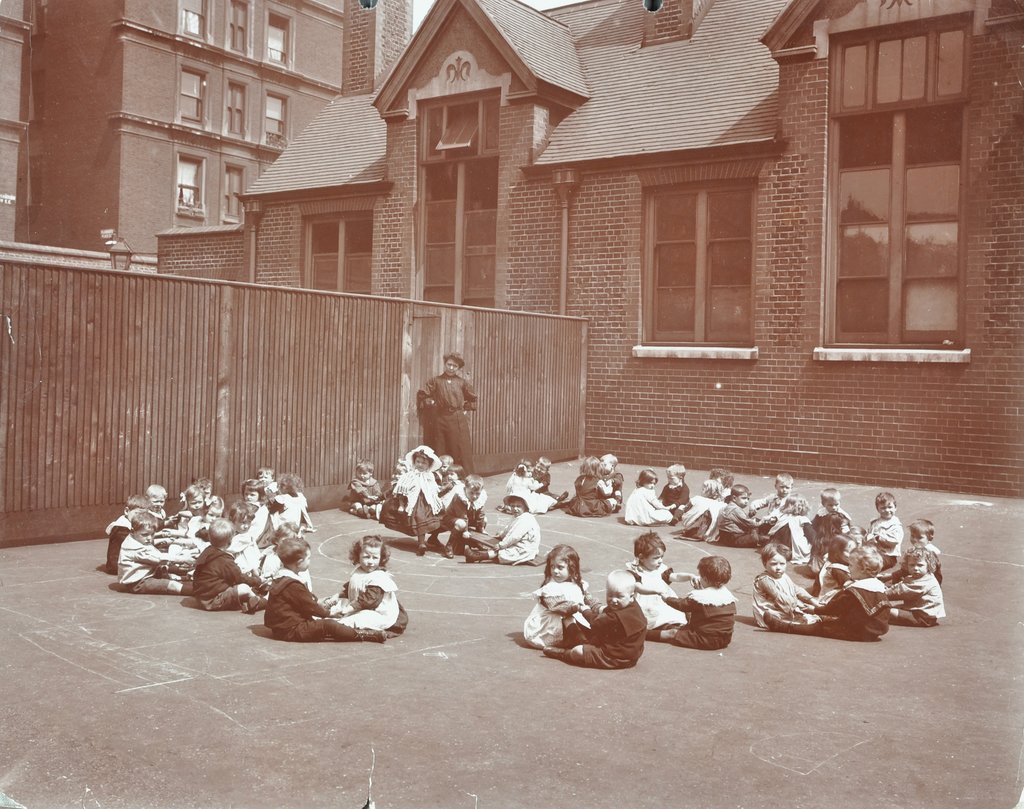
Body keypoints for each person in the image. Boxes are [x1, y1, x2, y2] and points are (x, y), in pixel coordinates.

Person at [263, 536, 388, 643]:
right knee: (328, 625)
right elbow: (309, 606)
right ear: (299, 562)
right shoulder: (292, 584)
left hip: (283, 627)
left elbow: (302, 601)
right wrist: (329, 613)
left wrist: (321, 603)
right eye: (309, 558)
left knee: (323, 620)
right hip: (291, 629)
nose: (310, 561)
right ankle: (362, 634)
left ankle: (342, 629)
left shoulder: (283, 576)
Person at [761, 546, 891, 642]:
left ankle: (784, 627)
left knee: (820, 627)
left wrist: (815, 610)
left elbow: (834, 608)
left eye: (851, 565)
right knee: (833, 619)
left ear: (862, 569)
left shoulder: (855, 590)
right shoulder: (878, 586)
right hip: (876, 630)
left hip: (859, 631)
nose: (848, 568)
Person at [541, 570, 647, 670]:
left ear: (632, 596)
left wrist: (584, 610)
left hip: (614, 658)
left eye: (619, 596)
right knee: (587, 633)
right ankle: (576, 635)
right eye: (610, 595)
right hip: (624, 652)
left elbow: (595, 621)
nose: (614, 600)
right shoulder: (631, 606)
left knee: (578, 651)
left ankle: (564, 654)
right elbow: (604, 613)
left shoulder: (616, 617)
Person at [323, 535, 409, 636]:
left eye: (375, 558)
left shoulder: (379, 578)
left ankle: (338, 628)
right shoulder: (360, 571)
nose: (370, 562)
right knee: (338, 606)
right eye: (366, 557)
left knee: (359, 618)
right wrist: (337, 596)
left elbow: (369, 600)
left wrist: (348, 609)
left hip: (378, 613)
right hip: (360, 606)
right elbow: (351, 588)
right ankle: (326, 618)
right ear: (357, 556)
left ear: (381, 558)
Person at [648, 555, 736, 650]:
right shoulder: (727, 595)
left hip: (706, 640)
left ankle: (644, 634)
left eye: (701, 576)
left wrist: (667, 599)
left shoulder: (700, 598)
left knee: (672, 633)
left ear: (705, 579)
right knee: (695, 616)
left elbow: (682, 605)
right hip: (724, 639)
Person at [523, 545, 598, 650]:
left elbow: (588, 598)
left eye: (560, 567)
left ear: (572, 568)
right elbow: (557, 606)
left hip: (573, 616)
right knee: (568, 619)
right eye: (552, 566)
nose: (555, 571)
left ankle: (585, 637)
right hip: (550, 626)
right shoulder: (550, 588)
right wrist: (576, 607)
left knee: (591, 622)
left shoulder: (577, 584)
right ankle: (578, 640)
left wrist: (598, 607)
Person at [192, 518, 267, 613]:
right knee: (244, 588)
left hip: (201, 597)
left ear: (210, 538)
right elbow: (239, 578)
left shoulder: (208, 552)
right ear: (230, 542)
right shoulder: (224, 560)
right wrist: (258, 581)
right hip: (213, 601)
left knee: (237, 585)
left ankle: (249, 599)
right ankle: (259, 602)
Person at [420, 352, 477, 473]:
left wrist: (465, 409)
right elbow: (423, 395)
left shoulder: (462, 382)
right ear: (445, 364)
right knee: (440, 446)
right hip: (440, 418)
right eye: (449, 364)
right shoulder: (436, 381)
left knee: (459, 448)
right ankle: (440, 477)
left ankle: (462, 477)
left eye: (454, 366)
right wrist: (432, 404)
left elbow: (472, 398)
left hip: (457, 419)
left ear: (458, 368)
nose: (451, 368)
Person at [625, 531, 692, 633]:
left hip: (663, 600)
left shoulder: (660, 569)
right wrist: (655, 591)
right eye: (656, 558)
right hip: (648, 604)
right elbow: (638, 587)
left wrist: (689, 576)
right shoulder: (636, 572)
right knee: (659, 617)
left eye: (661, 557)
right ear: (641, 558)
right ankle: (670, 627)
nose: (660, 560)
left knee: (676, 609)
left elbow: (675, 576)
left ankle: (684, 619)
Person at [118, 509, 194, 595]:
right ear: (132, 531)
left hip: (146, 573)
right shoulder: (134, 547)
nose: (149, 538)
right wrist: (183, 559)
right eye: (145, 535)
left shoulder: (137, 539)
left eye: (152, 534)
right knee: (172, 585)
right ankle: (199, 592)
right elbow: (159, 558)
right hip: (138, 582)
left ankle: (185, 573)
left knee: (166, 569)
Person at [391, 446, 444, 557]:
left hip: (428, 501)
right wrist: (401, 505)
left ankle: (433, 537)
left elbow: (434, 490)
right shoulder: (410, 475)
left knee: (443, 516)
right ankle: (421, 544)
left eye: (423, 463)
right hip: (415, 501)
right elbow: (402, 488)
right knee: (420, 517)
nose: (420, 465)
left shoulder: (430, 476)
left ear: (429, 465)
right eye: (418, 461)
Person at [752, 542, 818, 629]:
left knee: (815, 612)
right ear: (765, 564)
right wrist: (801, 606)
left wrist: (811, 600)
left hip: (786, 607)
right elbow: (780, 598)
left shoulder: (783, 576)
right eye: (773, 564)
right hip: (772, 611)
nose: (778, 567)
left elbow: (796, 589)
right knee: (811, 619)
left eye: (782, 564)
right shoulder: (765, 580)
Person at [463, 495, 540, 565]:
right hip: (519, 543)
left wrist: (501, 545)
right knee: (501, 547)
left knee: (502, 552)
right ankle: (476, 555)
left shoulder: (526, 519)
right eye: (513, 506)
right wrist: (501, 535)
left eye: (518, 506)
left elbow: (515, 536)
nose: (515, 509)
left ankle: (475, 556)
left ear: (525, 508)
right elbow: (509, 529)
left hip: (525, 547)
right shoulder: (517, 517)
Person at [885, 546, 945, 627]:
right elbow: (902, 585)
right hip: (919, 610)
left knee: (885, 611)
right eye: (912, 565)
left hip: (922, 617)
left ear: (928, 565)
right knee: (892, 607)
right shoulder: (921, 577)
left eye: (920, 565)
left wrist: (882, 593)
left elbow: (900, 591)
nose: (916, 568)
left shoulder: (924, 582)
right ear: (907, 565)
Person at [436, 474, 488, 557]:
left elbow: (481, 514)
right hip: (451, 518)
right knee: (461, 524)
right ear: (465, 489)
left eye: (477, 493)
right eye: (471, 493)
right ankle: (449, 546)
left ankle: (477, 541)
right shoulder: (459, 497)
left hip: (469, 518)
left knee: (484, 519)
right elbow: (462, 515)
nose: (474, 496)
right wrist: (465, 531)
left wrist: (481, 529)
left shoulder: (481, 498)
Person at [103, 494, 151, 574]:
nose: (140, 518)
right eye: (137, 514)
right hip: (117, 565)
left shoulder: (132, 523)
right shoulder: (121, 527)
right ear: (126, 511)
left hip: (126, 562)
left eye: (143, 515)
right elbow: (135, 542)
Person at [764, 494, 816, 565]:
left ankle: (776, 551)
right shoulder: (803, 520)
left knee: (775, 548)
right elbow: (811, 536)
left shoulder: (783, 518)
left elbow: (774, 533)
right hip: (794, 550)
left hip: (781, 547)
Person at [865, 492, 904, 572]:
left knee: (869, 565)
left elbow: (895, 541)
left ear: (895, 507)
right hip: (874, 551)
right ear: (878, 509)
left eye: (890, 507)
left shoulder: (895, 525)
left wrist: (879, 538)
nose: (887, 510)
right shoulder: (875, 522)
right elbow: (869, 533)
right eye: (883, 508)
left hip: (888, 556)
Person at [715, 483, 762, 548]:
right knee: (756, 536)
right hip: (733, 538)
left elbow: (741, 519)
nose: (746, 501)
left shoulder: (730, 506)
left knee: (755, 526)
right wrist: (763, 521)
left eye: (748, 499)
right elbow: (750, 524)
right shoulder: (735, 509)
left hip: (726, 536)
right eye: (744, 498)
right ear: (734, 498)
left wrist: (750, 516)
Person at [815, 535, 858, 602]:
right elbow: (851, 586)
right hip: (830, 600)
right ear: (837, 552)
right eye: (848, 551)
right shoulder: (837, 569)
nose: (853, 554)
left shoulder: (837, 562)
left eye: (854, 551)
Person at [902, 518, 943, 584]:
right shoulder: (915, 548)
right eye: (912, 536)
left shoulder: (931, 551)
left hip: (929, 581)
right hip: (917, 574)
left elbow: (933, 572)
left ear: (930, 538)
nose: (915, 540)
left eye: (919, 537)